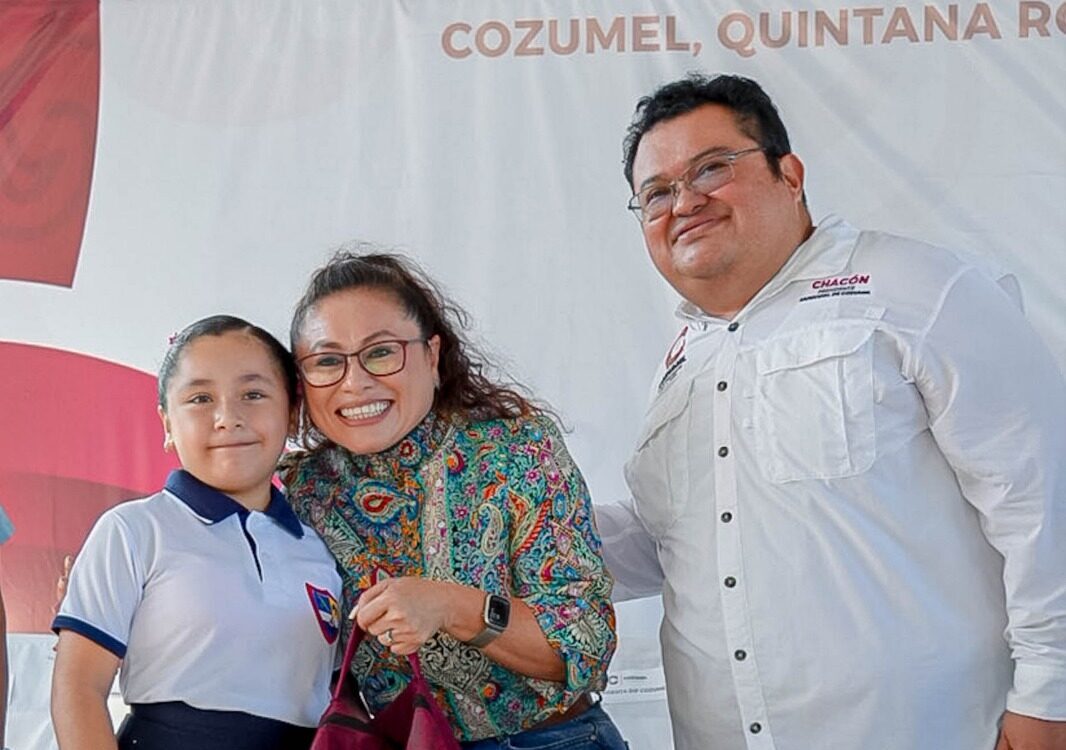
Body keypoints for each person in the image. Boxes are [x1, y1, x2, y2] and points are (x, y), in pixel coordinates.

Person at [595, 73, 1066, 750]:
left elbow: (1041, 497)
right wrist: (496, 537)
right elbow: (669, 540)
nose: (685, 201)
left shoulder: (921, 288)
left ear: (789, 174)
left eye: (712, 168)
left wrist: (1049, 696)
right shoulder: (683, 363)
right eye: (657, 193)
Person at [279, 250, 626, 750]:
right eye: (327, 361)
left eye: (381, 352)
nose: (355, 382)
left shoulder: (516, 452)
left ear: (432, 355)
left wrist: (450, 606)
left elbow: (586, 641)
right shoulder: (300, 491)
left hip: (552, 740)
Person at [51, 316, 342, 750]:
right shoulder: (133, 530)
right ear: (167, 424)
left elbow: (335, 695)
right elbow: (78, 689)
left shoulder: (320, 550)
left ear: (292, 412)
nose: (228, 418)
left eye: (253, 394)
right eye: (201, 398)